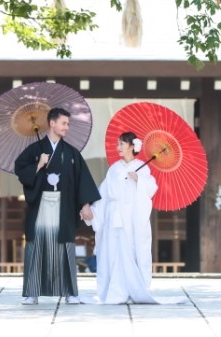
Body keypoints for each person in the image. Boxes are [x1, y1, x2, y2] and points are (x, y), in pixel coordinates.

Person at [14, 107, 100, 305]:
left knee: (65, 247)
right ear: (52, 123)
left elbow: (82, 179)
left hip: (64, 207)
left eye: (68, 124)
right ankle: (32, 292)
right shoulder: (36, 150)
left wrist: (86, 204)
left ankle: (70, 292)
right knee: (36, 246)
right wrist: (38, 165)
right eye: (64, 123)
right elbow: (20, 167)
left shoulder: (70, 153)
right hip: (41, 204)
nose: (66, 127)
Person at [89, 131, 158, 304]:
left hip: (132, 217)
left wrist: (139, 181)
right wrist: (91, 209)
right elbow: (103, 193)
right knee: (113, 250)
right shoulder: (114, 168)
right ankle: (114, 290)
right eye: (118, 143)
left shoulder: (142, 167)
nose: (118, 147)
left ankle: (132, 290)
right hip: (114, 216)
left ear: (132, 146)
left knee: (132, 249)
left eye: (122, 144)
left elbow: (151, 188)